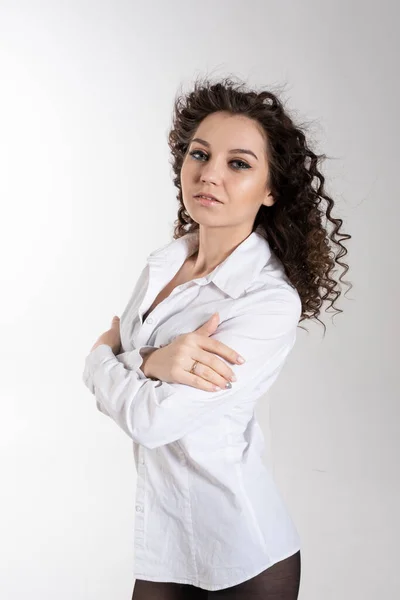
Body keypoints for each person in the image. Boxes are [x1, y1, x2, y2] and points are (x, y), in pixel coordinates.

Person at [82, 75, 351, 599]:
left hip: (243, 556)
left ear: (271, 189)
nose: (209, 175)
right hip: (165, 542)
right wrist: (153, 362)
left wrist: (100, 358)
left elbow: (151, 418)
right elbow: (144, 384)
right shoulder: (165, 263)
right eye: (199, 154)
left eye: (239, 163)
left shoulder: (269, 300)